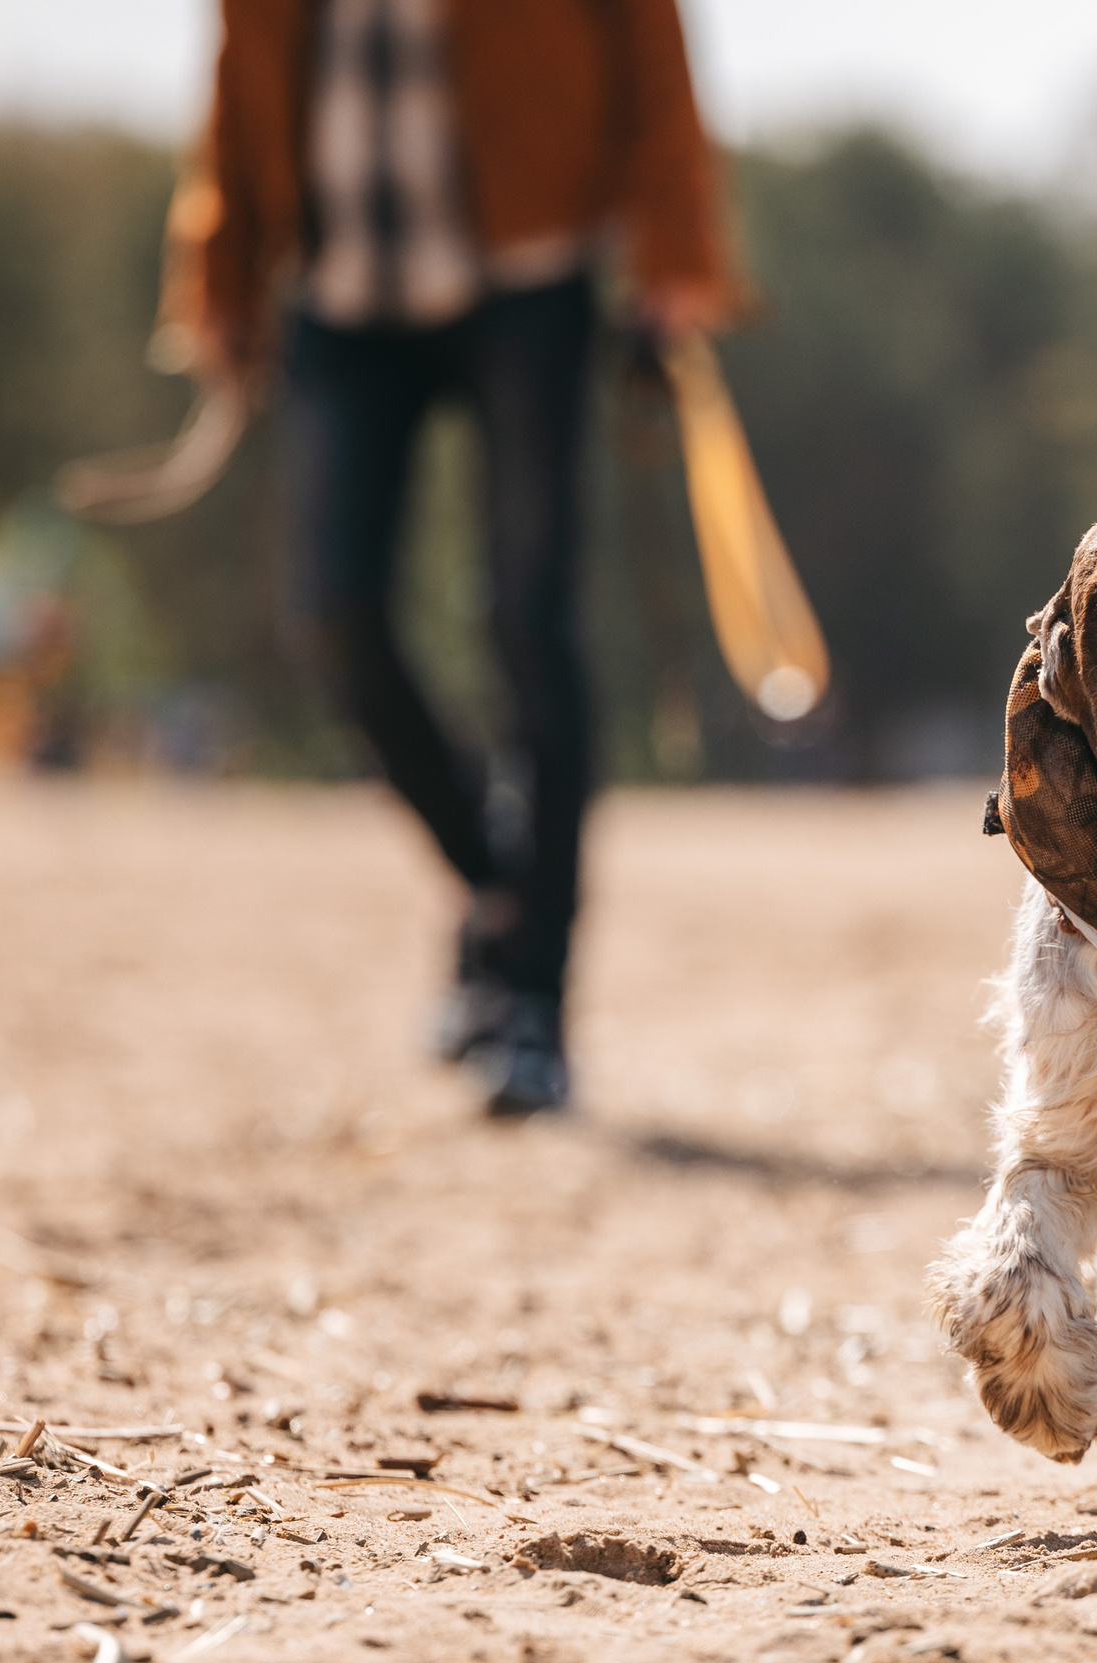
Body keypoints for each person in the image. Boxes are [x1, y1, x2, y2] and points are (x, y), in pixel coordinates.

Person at [156, 0, 743, 1115]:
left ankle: (531, 1004)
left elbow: (651, 50)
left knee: (530, 623)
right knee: (335, 611)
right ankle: (500, 886)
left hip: (528, 275)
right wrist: (222, 277)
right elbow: (240, 82)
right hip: (342, 292)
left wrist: (677, 250)